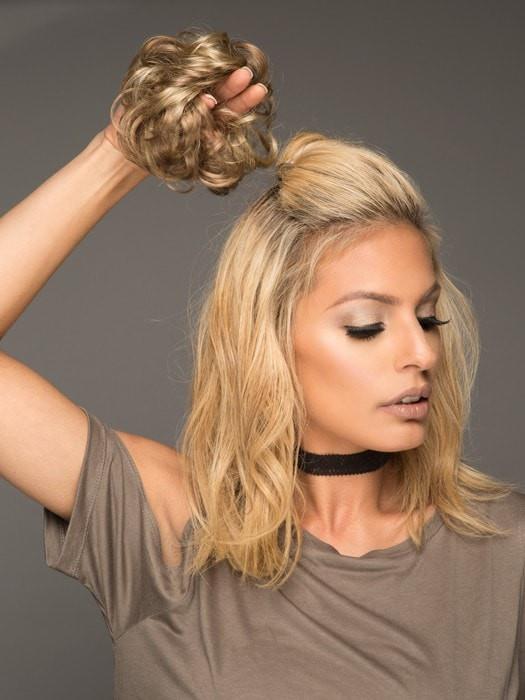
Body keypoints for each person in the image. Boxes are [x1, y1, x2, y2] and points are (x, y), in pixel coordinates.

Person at [1, 27, 524, 700]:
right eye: (366, 326)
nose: (422, 352)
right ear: (267, 342)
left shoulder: (505, 547)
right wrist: (121, 156)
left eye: (427, 319)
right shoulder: (163, 524)